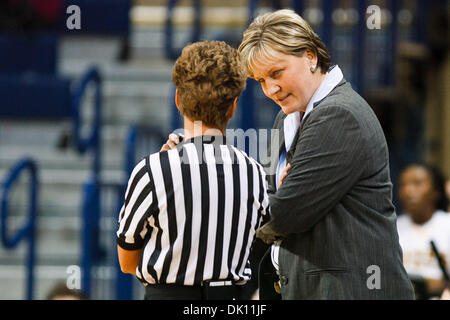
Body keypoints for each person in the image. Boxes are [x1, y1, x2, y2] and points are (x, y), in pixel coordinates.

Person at [237, 9, 415, 299]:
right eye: (260, 80)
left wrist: (278, 197)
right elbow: (269, 196)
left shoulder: (338, 114)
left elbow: (284, 213)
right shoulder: (287, 118)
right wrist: (277, 193)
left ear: (310, 57)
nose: (271, 89)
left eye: (276, 72)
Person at [116, 40, 270, 300]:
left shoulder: (152, 170)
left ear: (178, 99)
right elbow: (260, 249)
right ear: (233, 106)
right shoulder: (255, 174)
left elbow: (126, 262)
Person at [397, 164, 450, 298]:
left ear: (436, 191)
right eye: (403, 185)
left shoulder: (446, 224)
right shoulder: (393, 227)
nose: (408, 190)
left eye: (417, 184)